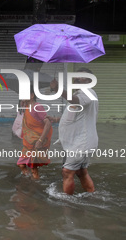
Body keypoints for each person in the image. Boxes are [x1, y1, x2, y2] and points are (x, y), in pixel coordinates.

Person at [48, 67, 98, 195]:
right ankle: (91, 193)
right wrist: (56, 119)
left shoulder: (88, 93)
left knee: (67, 172)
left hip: (80, 144)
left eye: (81, 78)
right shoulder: (79, 94)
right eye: (76, 77)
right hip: (78, 143)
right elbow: (74, 117)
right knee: (81, 172)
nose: (77, 79)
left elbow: (75, 101)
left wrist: (58, 89)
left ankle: (68, 203)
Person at [17, 86, 53, 179]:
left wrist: (40, 141)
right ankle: (29, 179)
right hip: (29, 142)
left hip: (36, 141)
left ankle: (36, 186)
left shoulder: (37, 107)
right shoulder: (25, 106)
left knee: (34, 169)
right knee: (21, 164)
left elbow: (48, 123)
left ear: (32, 95)